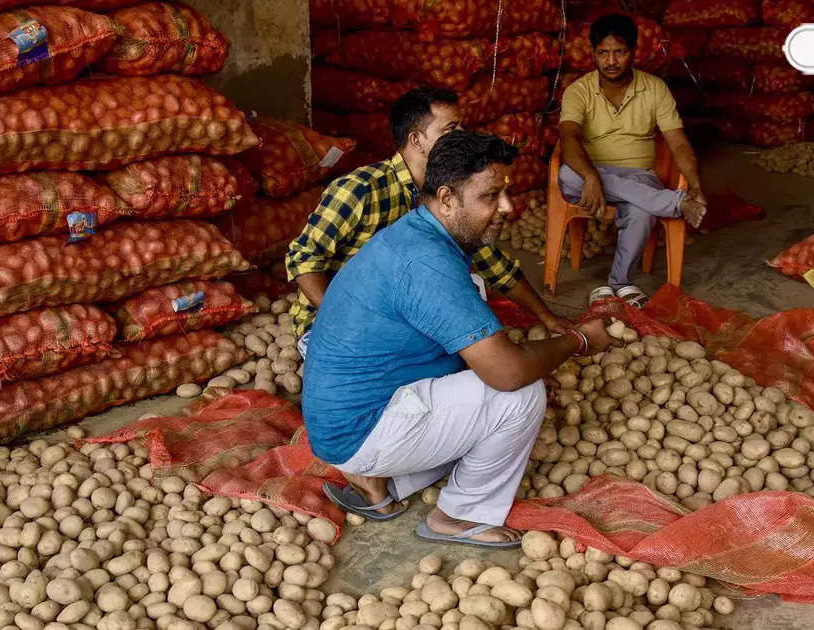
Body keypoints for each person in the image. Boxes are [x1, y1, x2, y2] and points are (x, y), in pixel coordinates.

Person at [303, 131, 613, 547]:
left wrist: (535, 357)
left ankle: (377, 483)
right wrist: (578, 342)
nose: (507, 207)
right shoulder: (428, 264)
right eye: (490, 196)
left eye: (505, 193)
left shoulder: (419, 233)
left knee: (490, 341)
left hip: (342, 418)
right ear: (447, 198)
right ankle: (457, 516)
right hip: (357, 430)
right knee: (519, 397)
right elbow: (507, 374)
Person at [286, 87, 570, 357]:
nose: (461, 136)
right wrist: (340, 317)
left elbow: (493, 263)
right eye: (450, 130)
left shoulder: (450, 193)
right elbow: (304, 257)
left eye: (462, 127)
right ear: (416, 140)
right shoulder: (360, 189)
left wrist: (547, 318)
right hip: (330, 324)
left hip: (401, 316)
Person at [557, 13, 707, 308]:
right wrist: (591, 177)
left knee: (640, 210)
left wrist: (696, 185)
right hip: (589, 172)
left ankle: (620, 283)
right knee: (567, 173)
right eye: (603, 53)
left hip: (640, 176)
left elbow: (677, 142)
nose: (611, 61)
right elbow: (569, 139)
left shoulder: (655, 89)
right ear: (593, 54)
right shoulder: (578, 91)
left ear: (634, 52)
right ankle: (674, 203)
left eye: (619, 52)